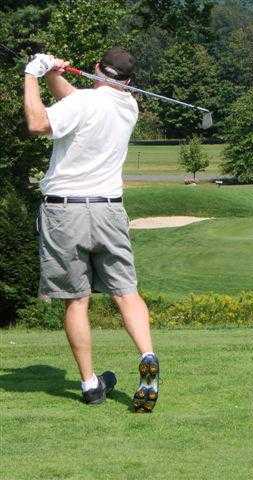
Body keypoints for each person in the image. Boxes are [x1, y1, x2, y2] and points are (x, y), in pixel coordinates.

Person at [23, 49, 159, 412]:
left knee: (76, 299)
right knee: (126, 292)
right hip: (109, 211)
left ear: (97, 68)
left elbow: (38, 123)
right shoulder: (128, 106)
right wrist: (56, 72)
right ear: (127, 81)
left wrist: (32, 75)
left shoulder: (83, 103)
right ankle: (147, 355)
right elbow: (76, 101)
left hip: (65, 212)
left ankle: (89, 385)